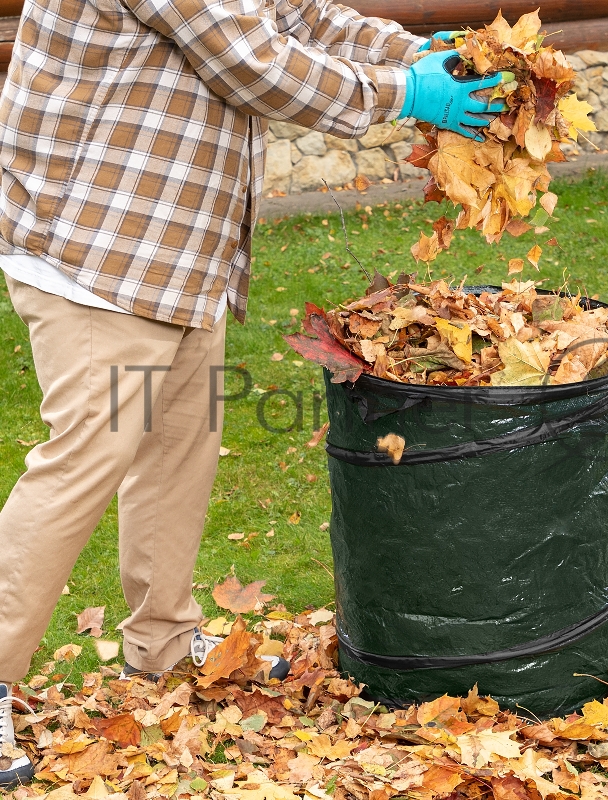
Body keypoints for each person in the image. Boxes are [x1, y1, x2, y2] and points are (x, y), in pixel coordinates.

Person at [0, 0, 503, 786]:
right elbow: (254, 61)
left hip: (170, 254)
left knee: (176, 453)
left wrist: (417, 54)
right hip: (96, 254)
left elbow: (293, 16)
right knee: (82, 468)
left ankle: (163, 644)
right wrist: (406, 92)